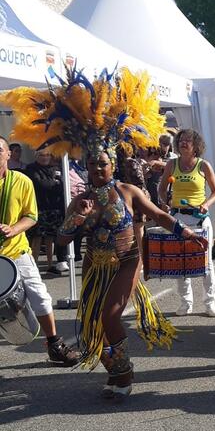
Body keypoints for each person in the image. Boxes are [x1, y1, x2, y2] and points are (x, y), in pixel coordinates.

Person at [3, 67, 193, 400]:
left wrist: (184, 231)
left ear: (112, 163)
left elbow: (159, 214)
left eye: (102, 163)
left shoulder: (129, 191)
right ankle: (116, 369)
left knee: (109, 316)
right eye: (92, 164)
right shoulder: (81, 199)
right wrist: (77, 218)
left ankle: (124, 376)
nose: (97, 169)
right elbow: (62, 240)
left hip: (127, 262)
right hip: (94, 266)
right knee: (93, 331)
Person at [0, 136, 79, 366]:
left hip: (17, 252)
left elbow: (31, 216)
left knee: (41, 298)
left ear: (8, 154)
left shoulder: (22, 181)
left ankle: (54, 345)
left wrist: (13, 229)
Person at [158, 128, 215, 317]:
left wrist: (205, 204)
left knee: (206, 262)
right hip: (178, 218)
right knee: (181, 262)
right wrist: (164, 203)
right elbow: (162, 188)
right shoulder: (172, 164)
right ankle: (186, 303)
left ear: (196, 146)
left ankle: (210, 303)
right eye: (181, 140)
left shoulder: (203, 166)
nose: (183, 143)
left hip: (199, 219)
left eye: (188, 141)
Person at [25, 150, 68, 273]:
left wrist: (55, 183)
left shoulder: (55, 168)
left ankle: (50, 265)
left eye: (47, 155)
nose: (45, 158)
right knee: (37, 238)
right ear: (36, 156)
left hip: (54, 207)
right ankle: (34, 265)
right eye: (42, 155)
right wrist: (54, 183)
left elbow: (62, 185)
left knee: (50, 237)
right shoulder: (31, 168)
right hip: (39, 207)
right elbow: (40, 184)